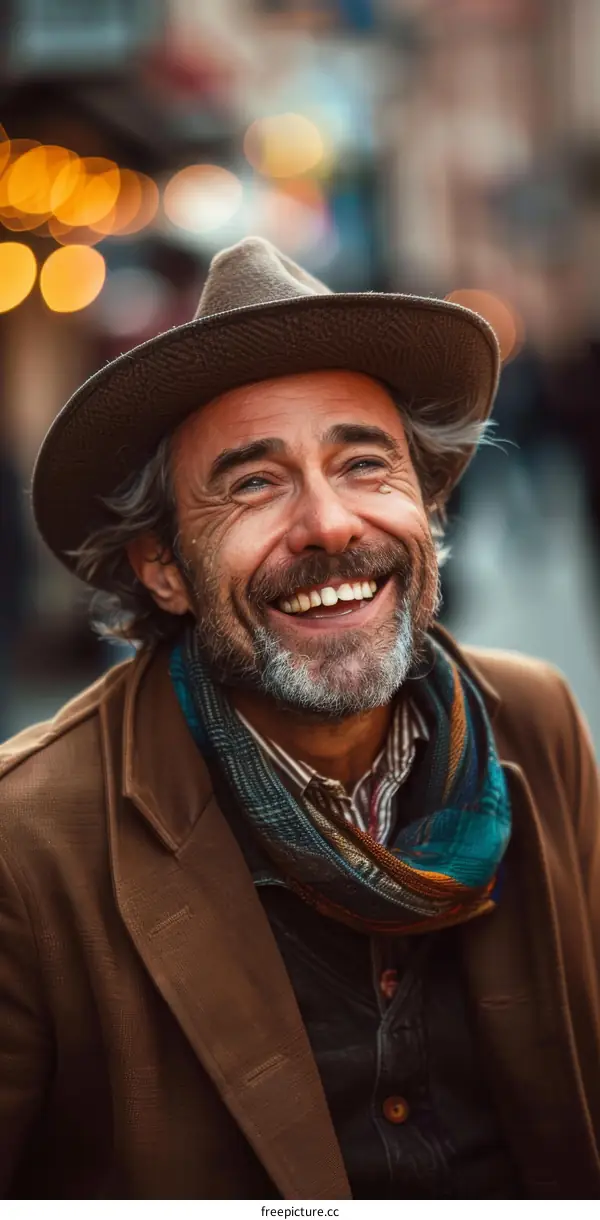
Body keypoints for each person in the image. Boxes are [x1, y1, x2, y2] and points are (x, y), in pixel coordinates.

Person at [0, 237, 598, 1201]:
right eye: (252, 483)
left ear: (427, 500)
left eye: (366, 465)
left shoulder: (538, 725)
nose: (328, 524)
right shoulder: (27, 844)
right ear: (162, 567)